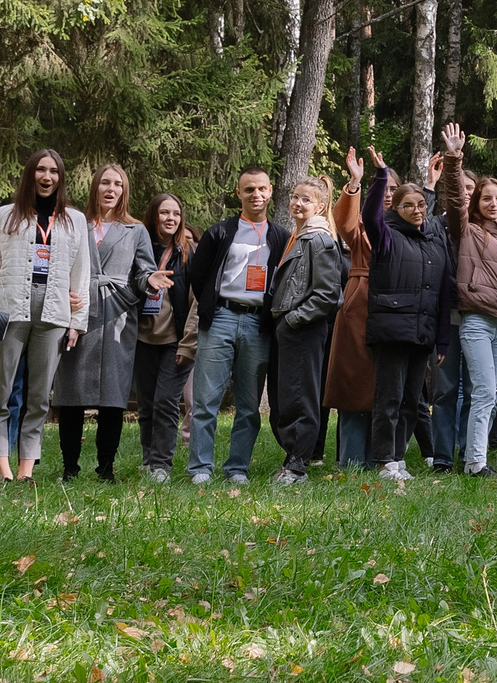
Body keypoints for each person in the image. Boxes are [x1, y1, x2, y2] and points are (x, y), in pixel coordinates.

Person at [0, 149, 92, 483]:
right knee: (0, 393)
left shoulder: (74, 220)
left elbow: (80, 274)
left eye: (54, 171)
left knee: (39, 397)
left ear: (60, 178)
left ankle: (26, 471)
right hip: (9, 309)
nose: (47, 177)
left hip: (54, 310)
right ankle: (3, 471)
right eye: (41, 170)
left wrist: (76, 322)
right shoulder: (5, 216)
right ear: (30, 175)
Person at [184, 165, 286, 486]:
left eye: (261, 189)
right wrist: (217, 304)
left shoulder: (281, 236)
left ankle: (237, 468)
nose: (255, 195)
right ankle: (201, 467)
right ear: (238, 194)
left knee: (249, 404)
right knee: (205, 400)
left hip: (259, 324)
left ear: (270, 192)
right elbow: (198, 277)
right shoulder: (220, 232)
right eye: (248, 190)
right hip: (221, 319)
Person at [437, 130, 497, 476]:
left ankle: (475, 456)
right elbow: (454, 202)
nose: (493, 204)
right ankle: (476, 462)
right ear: (477, 204)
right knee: (484, 390)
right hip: (477, 320)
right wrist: (454, 159)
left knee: (496, 392)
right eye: (486, 199)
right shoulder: (468, 231)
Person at [53, 163, 149, 482]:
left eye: (117, 184)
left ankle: (106, 469)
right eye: (105, 183)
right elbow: (58, 264)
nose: (111, 189)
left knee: (113, 397)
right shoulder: (74, 224)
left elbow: (143, 273)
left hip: (117, 318)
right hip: (77, 314)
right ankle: (70, 467)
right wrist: (64, 294)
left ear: (124, 191)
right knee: (71, 394)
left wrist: (143, 287)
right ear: (95, 187)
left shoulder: (136, 230)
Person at [363, 161, 453, 481]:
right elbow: (369, 216)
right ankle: (385, 459)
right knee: (389, 397)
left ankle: (398, 457)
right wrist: (381, 176)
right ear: (396, 208)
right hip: (392, 330)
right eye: (408, 205)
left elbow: (443, 292)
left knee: (412, 399)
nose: (416, 210)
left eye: (421, 205)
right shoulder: (385, 235)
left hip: (423, 331)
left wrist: (441, 339)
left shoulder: (433, 241)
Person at [266, 172, 348, 485]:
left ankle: (297, 467)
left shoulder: (320, 239)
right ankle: (292, 459)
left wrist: (294, 320)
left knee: (299, 397)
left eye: (306, 199)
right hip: (287, 329)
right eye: (295, 197)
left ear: (320, 206)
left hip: (304, 329)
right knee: (283, 398)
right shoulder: (297, 236)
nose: (298, 203)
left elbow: (329, 294)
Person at [132, 193, 196, 483]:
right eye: (164, 213)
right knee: (146, 403)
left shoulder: (189, 252)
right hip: (142, 337)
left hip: (175, 339)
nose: (171, 219)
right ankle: (148, 459)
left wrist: (190, 341)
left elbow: (197, 301)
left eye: (176, 214)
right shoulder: (139, 248)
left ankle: (161, 465)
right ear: (153, 216)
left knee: (166, 402)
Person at [322, 150, 380, 470]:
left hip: (395, 314)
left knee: (384, 390)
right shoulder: (361, 227)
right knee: (355, 388)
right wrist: (355, 184)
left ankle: (382, 460)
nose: (385, 200)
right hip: (360, 306)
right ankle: (352, 462)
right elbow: (343, 222)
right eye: (380, 195)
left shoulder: (406, 230)